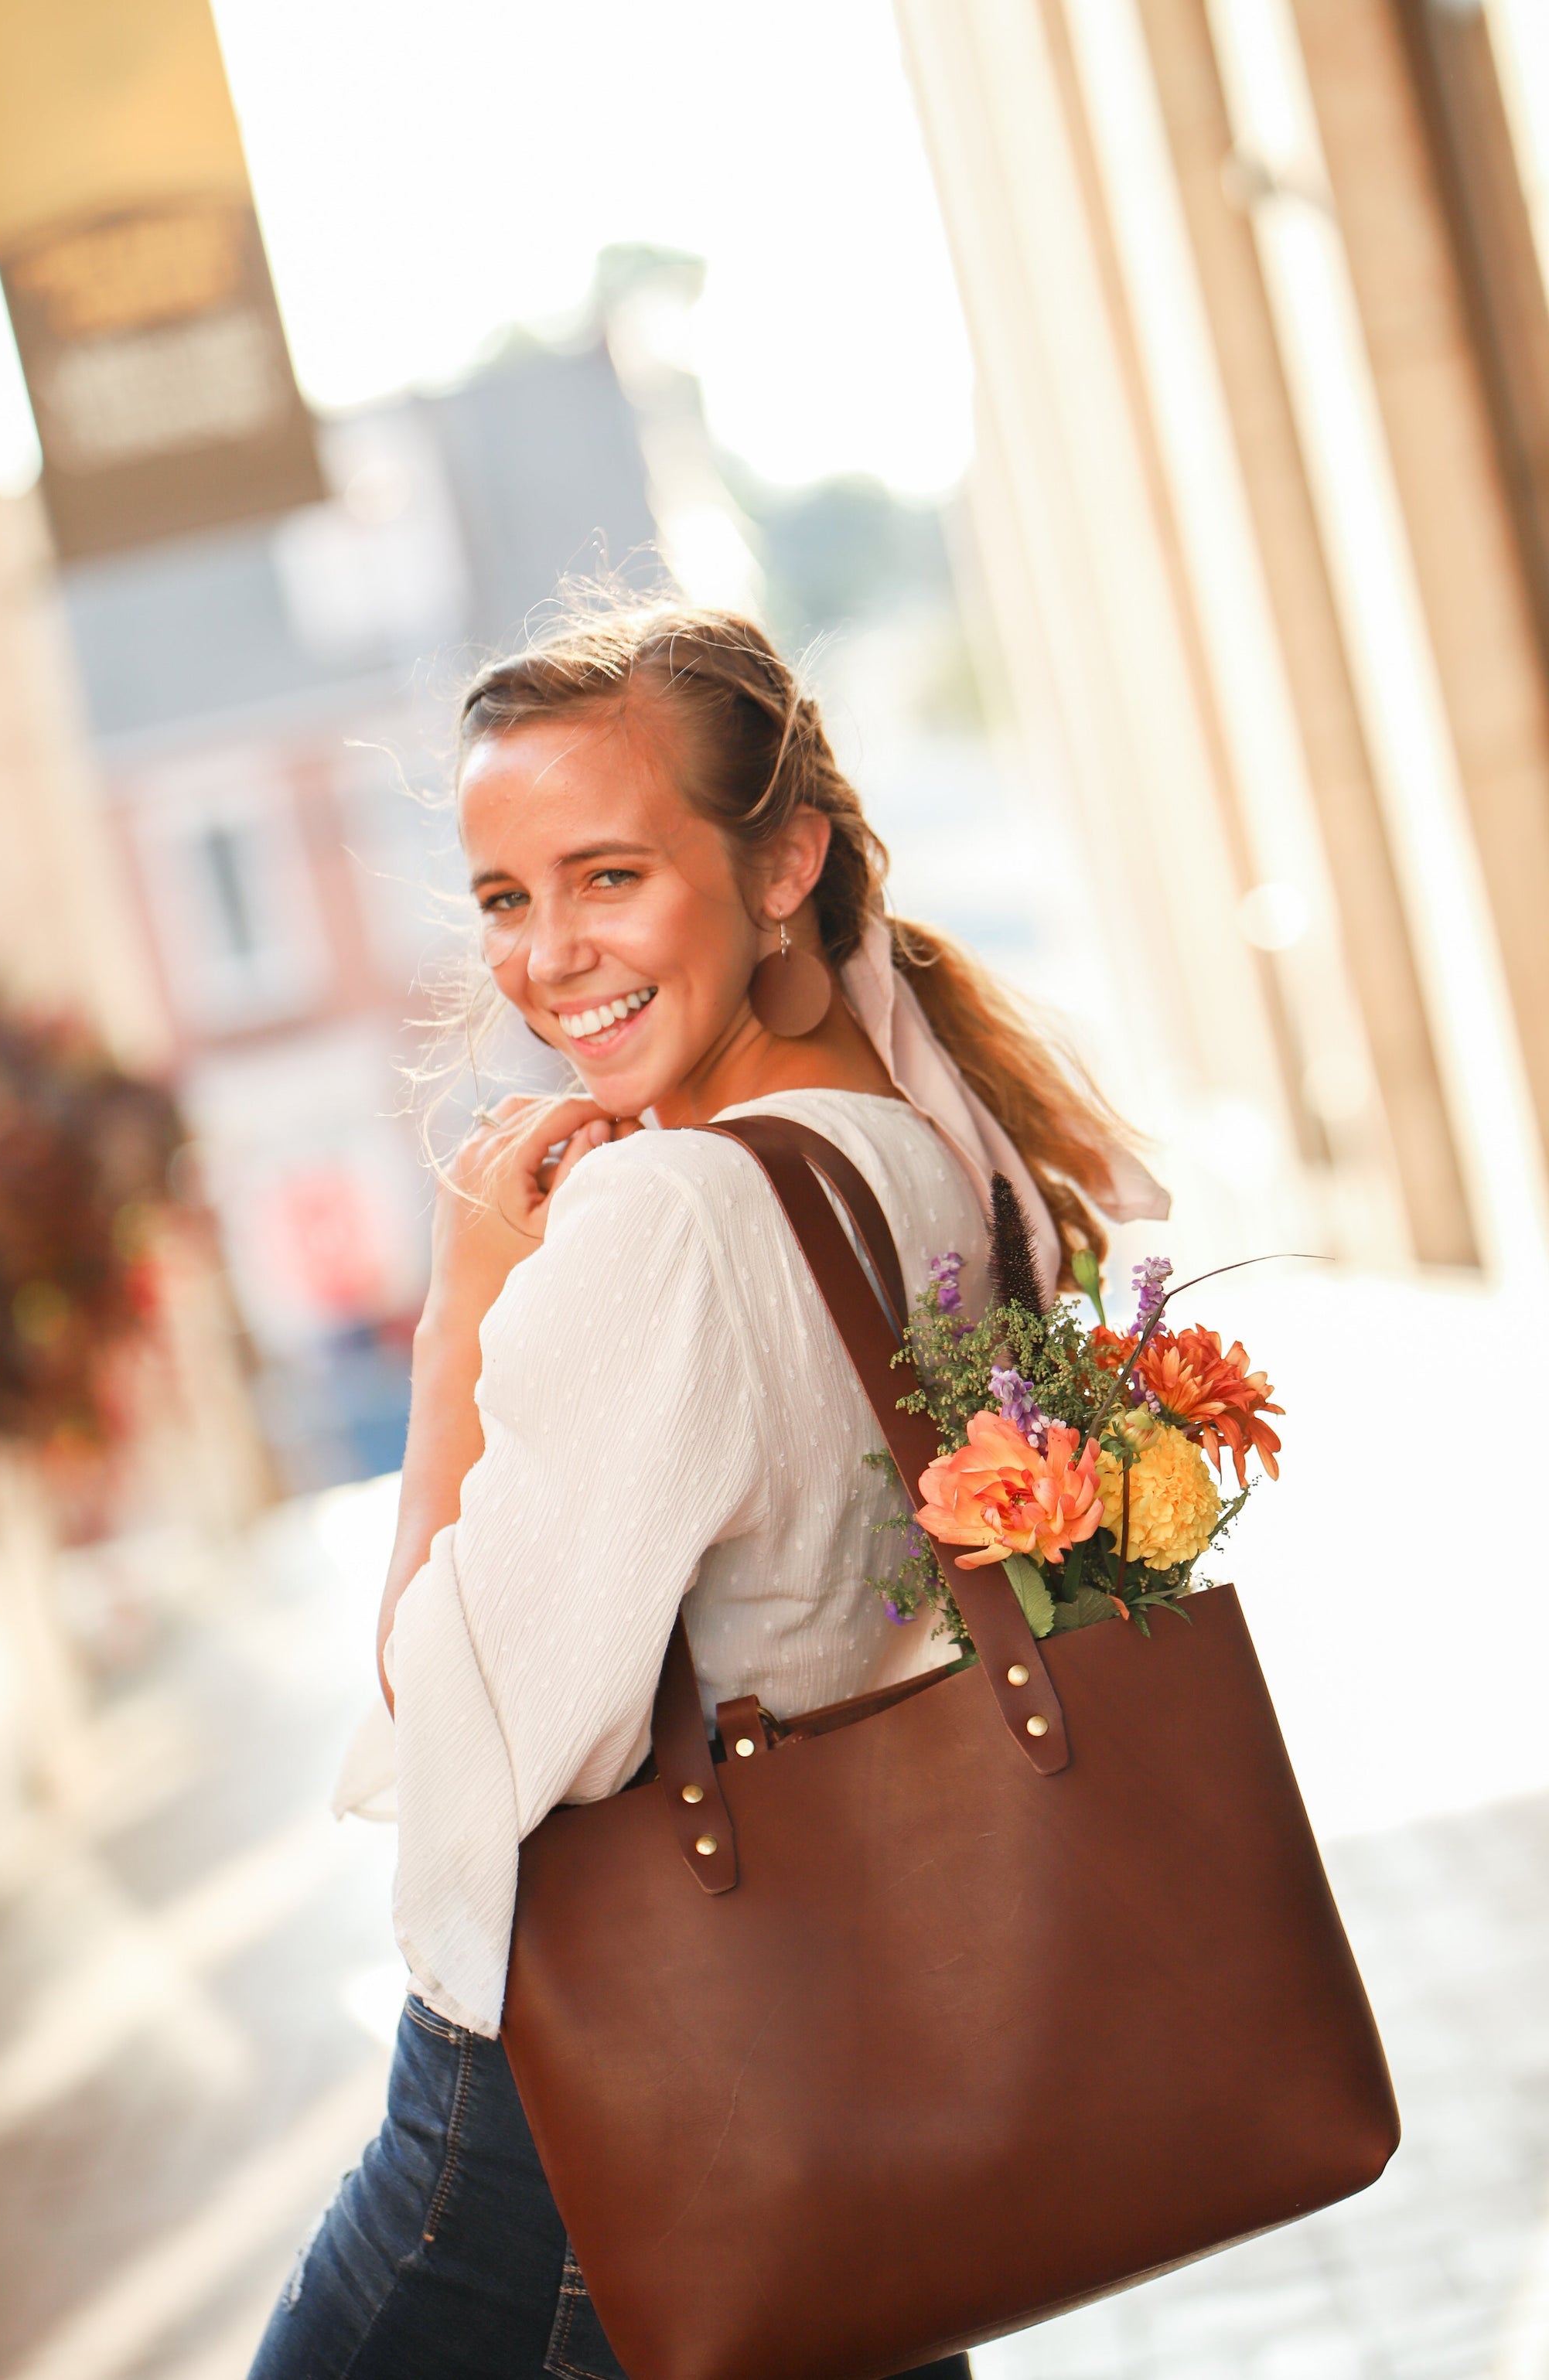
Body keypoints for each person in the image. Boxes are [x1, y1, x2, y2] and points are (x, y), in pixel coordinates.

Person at [247, 602, 1165, 2380]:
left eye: (606, 876)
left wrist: (459, 1314)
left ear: (778, 864)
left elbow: (455, 1723)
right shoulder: (924, 1157)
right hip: (854, 2057)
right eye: (506, 899)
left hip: (570, 2129)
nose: (544, 957)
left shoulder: (666, 1219)